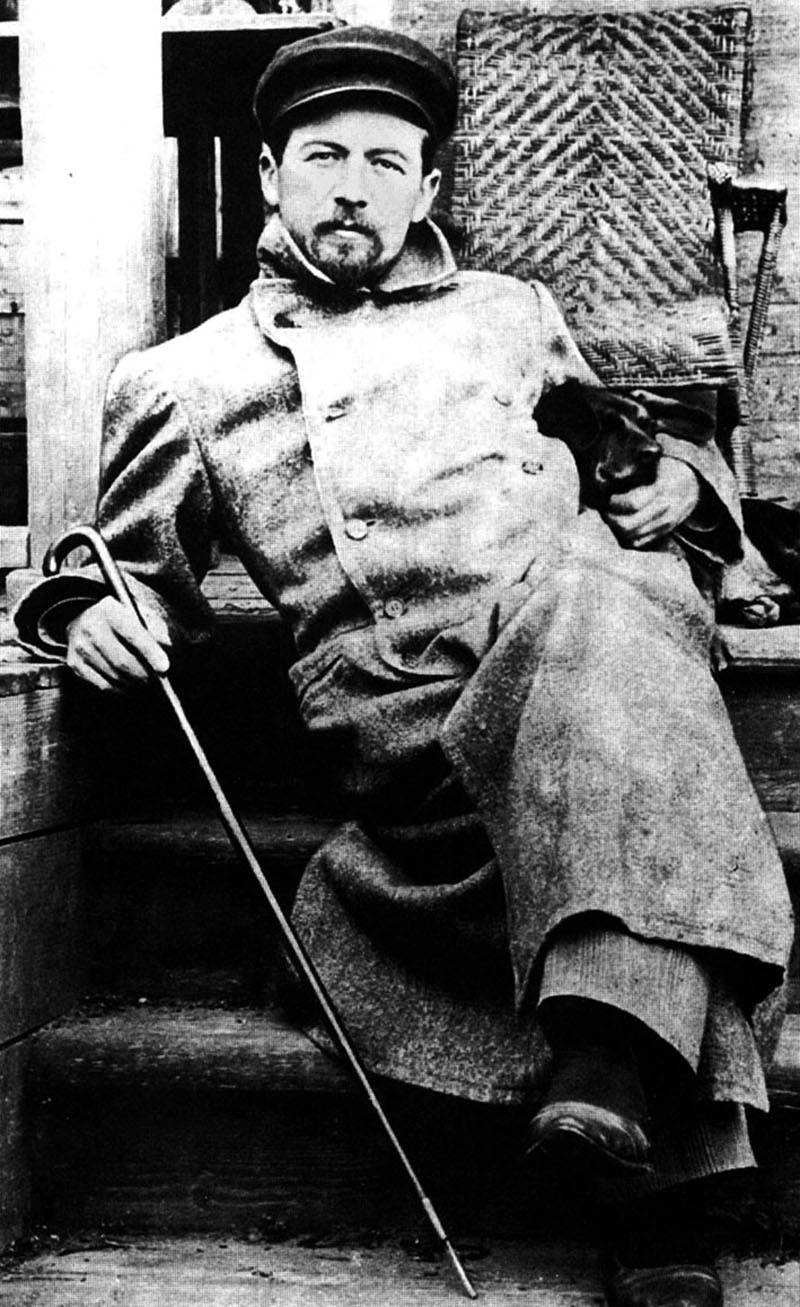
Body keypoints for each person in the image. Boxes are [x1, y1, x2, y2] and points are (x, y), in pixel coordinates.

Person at [14, 27, 792, 1307]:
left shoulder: (512, 314)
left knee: (607, 594)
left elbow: (619, 453)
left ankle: (610, 1076)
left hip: (590, 647)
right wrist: (82, 607)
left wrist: (665, 485)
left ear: (426, 186)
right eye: (324, 158)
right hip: (416, 715)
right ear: (270, 177)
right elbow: (123, 563)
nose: (352, 189)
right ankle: (653, 1154)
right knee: (620, 647)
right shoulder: (184, 377)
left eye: (386, 163)